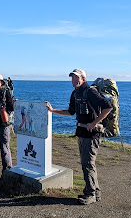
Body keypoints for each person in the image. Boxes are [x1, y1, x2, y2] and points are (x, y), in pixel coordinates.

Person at [46, 68, 112, 205]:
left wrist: (94, 123)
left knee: (87, 163)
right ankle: (95, 192)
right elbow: (71, 112)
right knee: (87, 163)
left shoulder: (91, 92)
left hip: (92, 133)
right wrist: (53, 111)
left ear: (83, 79)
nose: (74, 80)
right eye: (72, 78)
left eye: (77, 77)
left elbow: (108, 106)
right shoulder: (75, 93)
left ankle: (90, 194)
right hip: (81, 131)